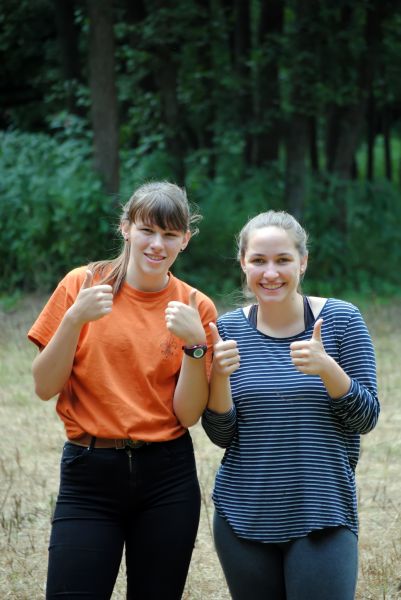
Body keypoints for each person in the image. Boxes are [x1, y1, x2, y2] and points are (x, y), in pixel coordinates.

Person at [28, 181, 217, 600]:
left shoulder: (195, 307)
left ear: (185, 240)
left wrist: (194, 346)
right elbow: (44, 386)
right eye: (147, 230)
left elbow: (188, 416)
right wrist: (74, 319)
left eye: (170, 235)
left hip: (168, 477)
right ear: (126, 228)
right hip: (89, 473)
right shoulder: (82, 284)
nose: (157, 244)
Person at [202, 210, 379, 600]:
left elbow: (366, 418)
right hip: (242, 517)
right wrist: (218, 376)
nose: (270, 273)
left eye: (283, 260)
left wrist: (328, 369)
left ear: (303, 262)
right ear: (243, 264)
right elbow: (221, 434)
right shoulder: (226, 329)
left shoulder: (342, 320)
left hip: (323, 513)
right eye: (258, 261)